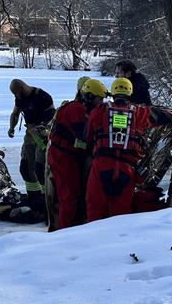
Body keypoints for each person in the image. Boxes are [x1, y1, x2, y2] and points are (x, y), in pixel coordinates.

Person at [85, 77, 172, 223]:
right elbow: (162, 116)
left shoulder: (98, 111)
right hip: (127, 169)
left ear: (113, 92)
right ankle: (119, 238)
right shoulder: (139, 113)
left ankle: (92, 239)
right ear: (130, 93)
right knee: (121, 211)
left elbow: (89, 136)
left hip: (101, 165)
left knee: (95, 207)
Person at [47, 77, 107, 231]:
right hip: (63, 157)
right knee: (69, 196)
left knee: (76, 194)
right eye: (99, 99)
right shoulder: (76, 109)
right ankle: (64, 232)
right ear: (89, 96)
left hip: (71, 156)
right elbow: (85, 134)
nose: (101, 103)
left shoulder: (82, 108)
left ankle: (73, 225)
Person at [8, 78, 56, 214]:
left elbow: (52, 116)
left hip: (42, 134)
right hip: (29, 134)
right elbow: (15, 113)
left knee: (40, 168)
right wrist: (11, 127)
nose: (16, 97)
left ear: (22, 88)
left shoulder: (43, 96)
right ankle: (33, 196)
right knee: (25, 167)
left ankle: (46, 198)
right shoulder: (20, 97)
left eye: (17, 93)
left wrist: (42, 128)